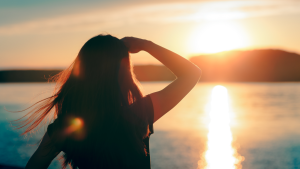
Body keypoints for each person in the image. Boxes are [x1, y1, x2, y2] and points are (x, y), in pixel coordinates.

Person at [19, 34, 201, 169]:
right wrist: (146, 45)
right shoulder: (138, 115)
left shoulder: (64, 129)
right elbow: (191, 74)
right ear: (123, 75)